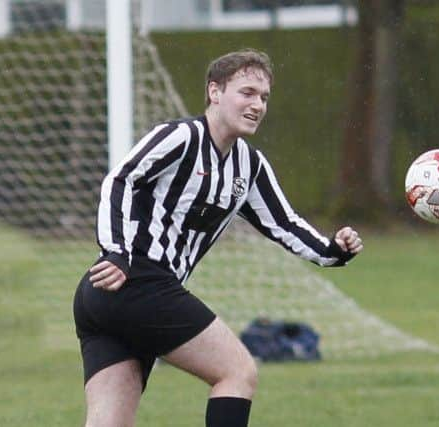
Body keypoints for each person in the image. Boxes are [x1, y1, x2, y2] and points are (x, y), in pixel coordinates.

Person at [73, 48, 363, 427]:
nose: (257, 104)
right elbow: (122, 179)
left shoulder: (249, 165)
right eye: (246, 92)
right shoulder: (180, 137)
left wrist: (332, 250)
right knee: (238, 372)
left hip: (108, 298)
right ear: (214, 91)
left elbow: (285, 224)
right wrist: (116, 252)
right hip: (134, 280)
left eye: (263, 97)